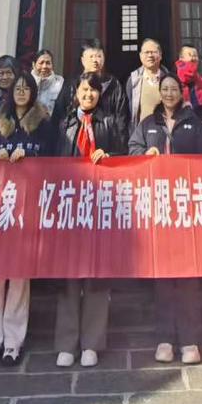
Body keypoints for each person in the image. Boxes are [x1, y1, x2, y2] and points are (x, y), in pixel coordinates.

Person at [129, 72, 202, 366]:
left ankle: (190, 339)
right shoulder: (148, 123)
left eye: (174, 88)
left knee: (187, 275)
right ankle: (164, 338)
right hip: (158, 206)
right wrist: (145, 152)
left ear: (181, 92)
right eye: (165, 88)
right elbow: (132, 149)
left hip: (186, 205)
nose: (170, 93)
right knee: (162, 277)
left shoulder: (192, 122)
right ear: (159, 92)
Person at [0, 71, 54, 366]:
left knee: (20, 276)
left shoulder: (43, 123)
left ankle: (13, 341)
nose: (21, 92)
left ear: (33, 92)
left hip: (28, 203)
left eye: (26, 88)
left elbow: (52, 157)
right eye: (17, 88)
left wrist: (31, 158)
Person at [55, 73, 124, 368]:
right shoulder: (64, 124)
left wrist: (109, 155)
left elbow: (124, 155)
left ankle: (92, 343)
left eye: (94, 90)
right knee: (69, 276)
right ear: (76, 93)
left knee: (96, 275)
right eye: (84, 90)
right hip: (70, 204)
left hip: (99, 204)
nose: (89, 95)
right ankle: (66, 342)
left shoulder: (109, 122)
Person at [52, 42, 129, 138]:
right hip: (74, 137)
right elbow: (59, 114)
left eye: (99, 56)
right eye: (91, 57)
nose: (95, 60)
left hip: (105, 137)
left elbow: (121, 117)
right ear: (83, 60)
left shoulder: (113, 84)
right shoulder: (71, 84)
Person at [126, 37, 169, 127]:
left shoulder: (169, 80)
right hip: (142, 131)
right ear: (140, 56)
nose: (150, 55)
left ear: (160, 55)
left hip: (165, 130)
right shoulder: (133, 81)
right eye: (146, 52)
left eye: (153, 52)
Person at [175, 44, 202, 114]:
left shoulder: (200, 77)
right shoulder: (178, 74)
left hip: (200, 111)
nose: (193, 58)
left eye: (195, 56)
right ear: (181, 59)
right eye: (189, 55)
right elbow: (185, 78)